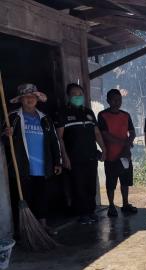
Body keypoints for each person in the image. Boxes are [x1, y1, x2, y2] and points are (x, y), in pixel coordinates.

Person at [2, 83, 62, 236]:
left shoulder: (45, 118)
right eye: (26, 97)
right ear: (21, 100)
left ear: (37, 99)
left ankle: (43, 226)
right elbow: (3, 140)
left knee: (42, 196)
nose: (29, 99)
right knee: (24, 197)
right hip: (22, 166)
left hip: (42, 165)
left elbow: (53, 141)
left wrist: (57, 161)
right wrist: (5, 133)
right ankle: (25, 229)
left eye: (32, 97)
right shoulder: (13, 117)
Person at [55, 83, 106, 225]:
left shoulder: (88, 112)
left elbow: (97, 133)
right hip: (73, 157)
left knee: (90, 185)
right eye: (74, 94)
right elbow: (59, 137)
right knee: (78, 186)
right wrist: (64, 157)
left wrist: (104, 149)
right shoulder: (63, 113)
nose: (78, 96)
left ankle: (91, 211)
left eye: (80, 94)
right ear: (68, 96)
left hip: (90, 155)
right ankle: (82, 214)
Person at [98, 89, 137, 218]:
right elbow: (105, 135)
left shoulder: (126, 115)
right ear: (108, 101)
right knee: (111, 183)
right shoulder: (102, 115)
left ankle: (125, 204)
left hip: (125, 155)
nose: (117, 102)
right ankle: (111, 206)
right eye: (114, 100)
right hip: (111, 155)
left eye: (119, 100)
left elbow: (132, 132)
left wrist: (128, 142)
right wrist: (124, 143)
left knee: (125, 181)